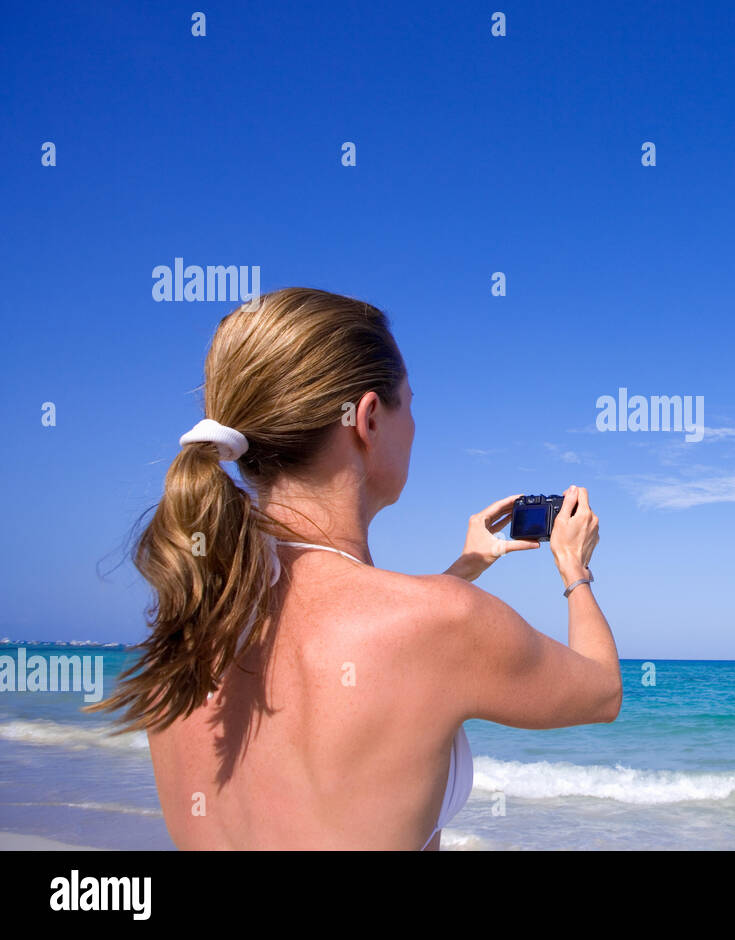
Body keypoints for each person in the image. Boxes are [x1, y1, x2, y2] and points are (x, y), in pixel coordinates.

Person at [86, 287, 620, 850]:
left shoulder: (190, 625)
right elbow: (602, 690)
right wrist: (574, 569)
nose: (414, 426)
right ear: (367, 419)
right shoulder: (443, 623)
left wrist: (460, 572)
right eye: (408, 404)